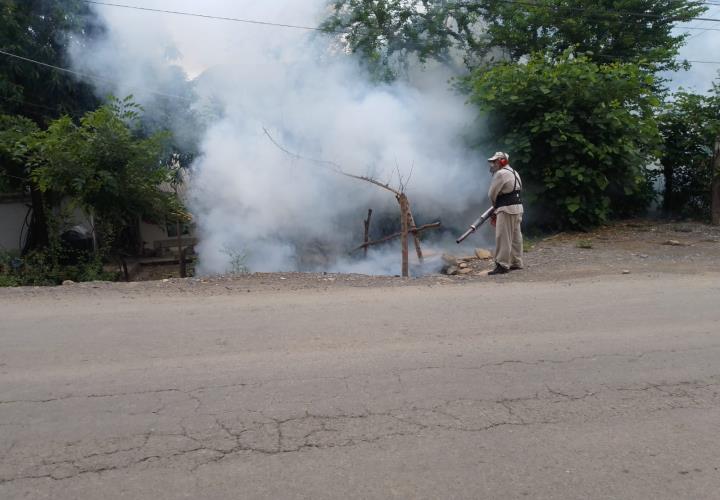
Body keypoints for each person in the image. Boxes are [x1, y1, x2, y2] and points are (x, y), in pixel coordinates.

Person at [487, 152, 523, 275]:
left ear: (502, 161)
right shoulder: (514, 172)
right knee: (515, 237)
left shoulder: (501, 173)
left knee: (503, 237)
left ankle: (502, 264)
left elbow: (492, 194)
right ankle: (516, 262)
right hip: (517, 207)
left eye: (495, 161)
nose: (493, 164)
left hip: (506, 208)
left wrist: (495, 207)